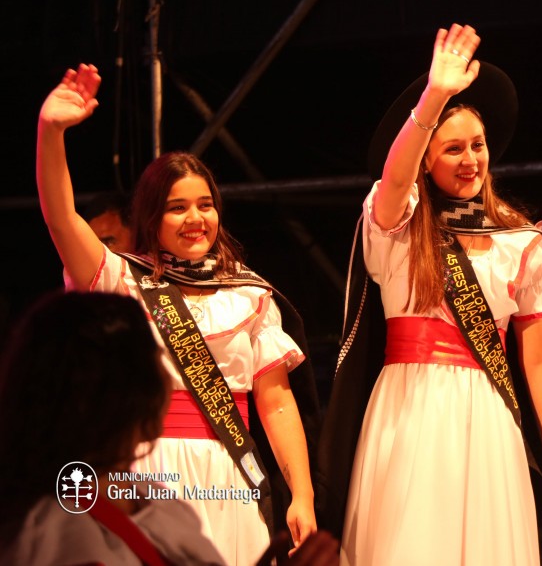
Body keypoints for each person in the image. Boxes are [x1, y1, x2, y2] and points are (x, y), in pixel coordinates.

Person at [317, 24, 542, 566]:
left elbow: (537, 357)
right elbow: (394, 181)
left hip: (489, 415)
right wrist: (434, 96)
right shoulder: (399, 228)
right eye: (452, 148)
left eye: (478, 146)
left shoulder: (517, 242)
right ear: (427, 160)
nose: (470, 160)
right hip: (411, 407)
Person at [36, 63, 319, 565]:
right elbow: (61, 221)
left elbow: (276, 403)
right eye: (177, 208)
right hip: (146, 471)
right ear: (151, 217)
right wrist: (51, 132)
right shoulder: (123, 279)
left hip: (231, 473)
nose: (196, 219)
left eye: (205, 204)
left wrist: (303, 493)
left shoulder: (248, 293)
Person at [0, 291, 227, 565]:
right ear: (125, 391)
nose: (169, 380)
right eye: (159, 361)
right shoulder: (49, 529)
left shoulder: (154, 501)